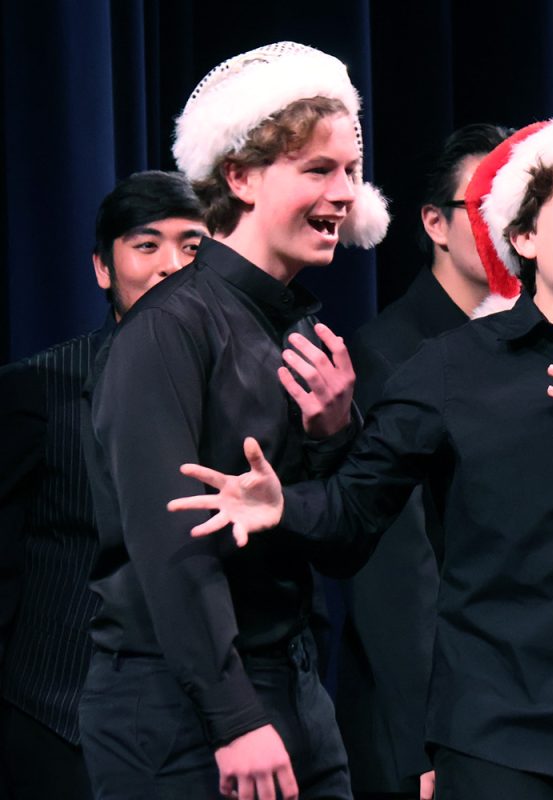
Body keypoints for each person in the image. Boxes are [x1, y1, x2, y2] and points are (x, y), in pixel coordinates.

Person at [170, 109, 553, 799]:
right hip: (506, 749)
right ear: (524, 237)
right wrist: (283, 503)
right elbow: (352, 526)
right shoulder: (448, 371)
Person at [78, 42, 389, 800]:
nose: (344, 192)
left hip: (291, 688)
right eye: (317, 170)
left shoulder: (297, 336)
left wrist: (334, 436)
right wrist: (233, 716)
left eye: (350, 170)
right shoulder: (169, 329)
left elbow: (345, 547)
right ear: (240, 177)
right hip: (184, 707)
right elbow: (171, 543)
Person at [0, 171, 206, 800]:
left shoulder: (242, 390)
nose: (172, 265)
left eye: (193, 247)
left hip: (205, 720)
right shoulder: (38, 387)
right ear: (102, 267)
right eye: (147, 246)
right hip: (60, 719)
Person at [337, 122, 510, 800]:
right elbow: (396, 572)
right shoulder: (389, 354)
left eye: (520, 207)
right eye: (486, 206)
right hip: (427, 720)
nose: (505, 227)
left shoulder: (540, 344)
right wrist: (424, 739)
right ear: (436, 223)